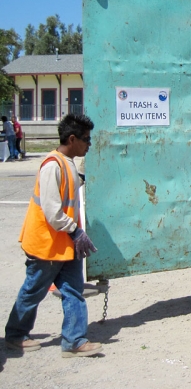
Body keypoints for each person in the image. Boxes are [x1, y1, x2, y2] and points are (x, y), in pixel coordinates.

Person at [5, 113, 103, 358]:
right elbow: (51, 210)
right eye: (86, 139)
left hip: (66, 245)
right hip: (46, 245)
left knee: (73, 291)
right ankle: (16, 334)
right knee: (33, 290)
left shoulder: (69, 163)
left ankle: (74, 341)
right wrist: (76, 230)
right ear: (72, 139)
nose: (89, 144)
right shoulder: (53, 165)